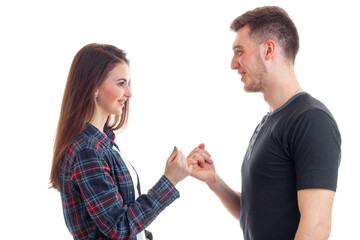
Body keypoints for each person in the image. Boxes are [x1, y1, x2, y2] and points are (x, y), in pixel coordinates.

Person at [191, 6, 341, 240]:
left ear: (269, 49)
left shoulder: (310, 119)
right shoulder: (270, 121)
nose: (233, 63)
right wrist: (215, 181)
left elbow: (317, 227)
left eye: (239, 51)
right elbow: (254, 213)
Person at [49, 43, 211, 240]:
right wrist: (170, 180)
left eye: (128, 84)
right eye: (121, 83)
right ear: (94, 87)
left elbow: (124, 224)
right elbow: (118, 228)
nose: (129, 93)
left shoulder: (102, 143)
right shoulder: (87, 151)